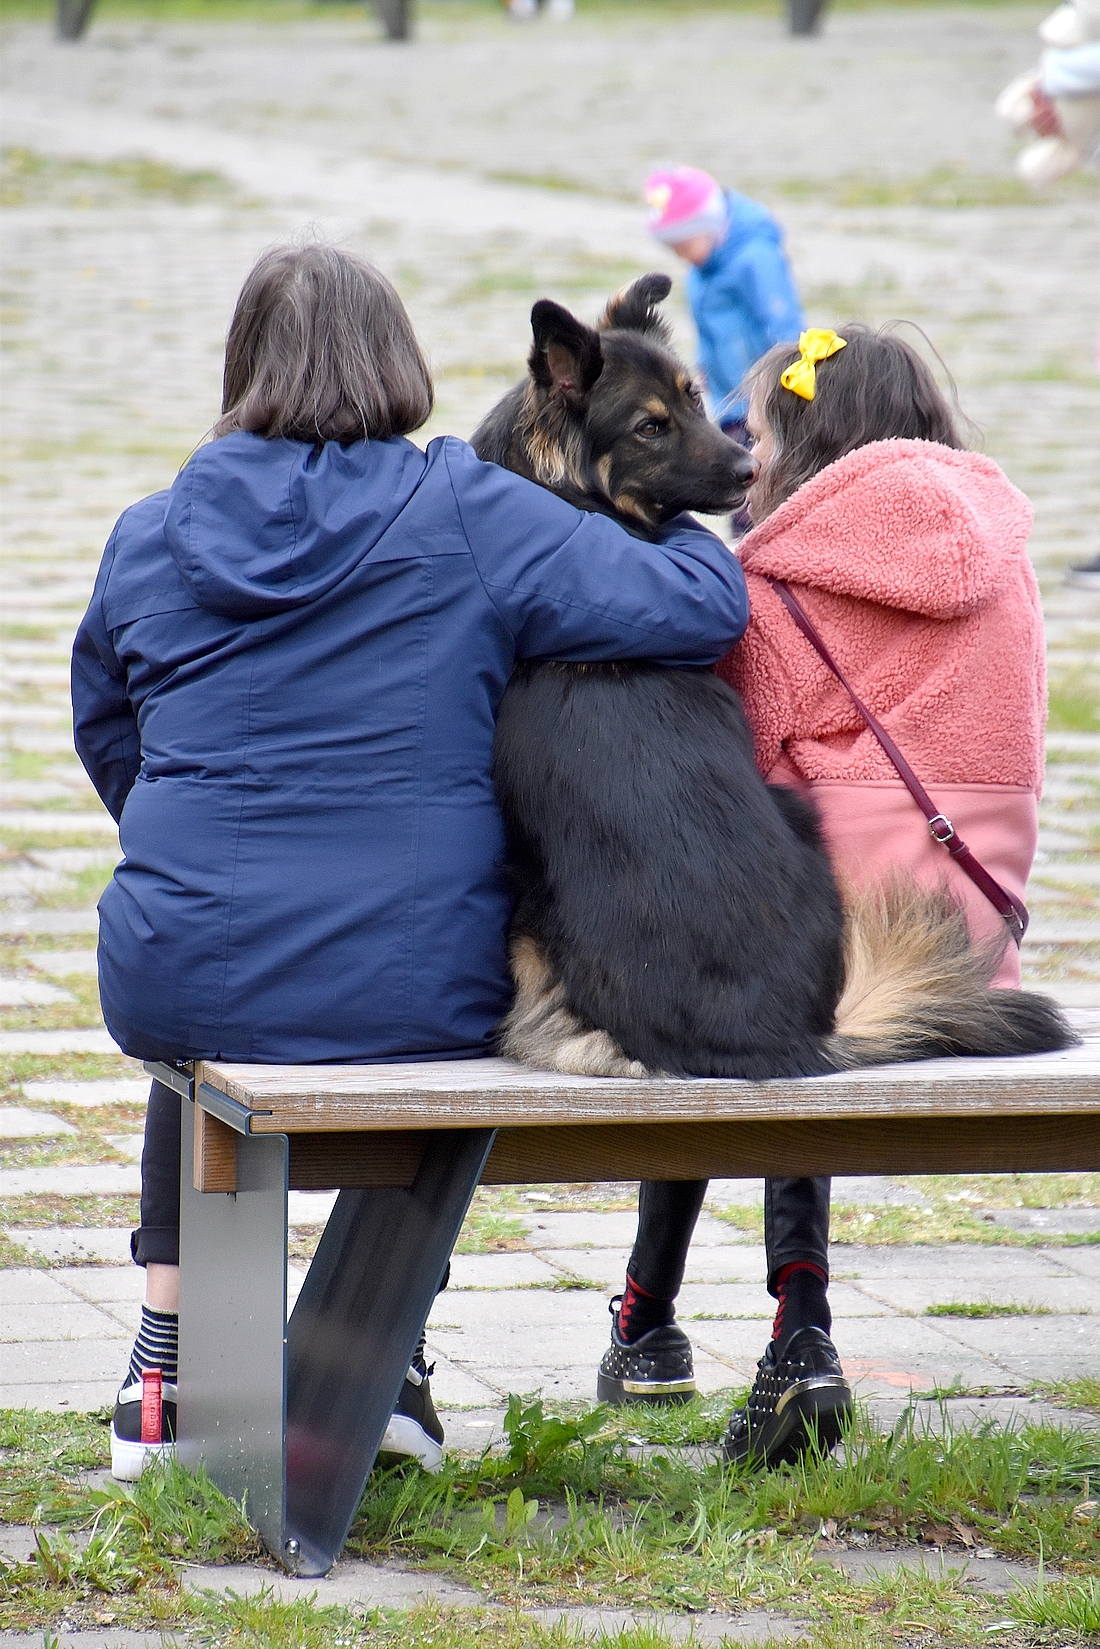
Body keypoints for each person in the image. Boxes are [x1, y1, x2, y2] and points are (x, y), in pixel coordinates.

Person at [71, 243, 750, 1482]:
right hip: (414, 983)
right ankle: (386, 1369)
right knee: (403, 1006)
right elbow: (700, 611)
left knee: (203, 995)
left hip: (183, 965)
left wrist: (194, 852)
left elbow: (109, 730)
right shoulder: (469, 508)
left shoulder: (148, 533)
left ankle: (161, 1373)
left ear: (243, 370)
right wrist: (686, 517)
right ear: (398, 364)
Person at [598, 324, 1046, 1471]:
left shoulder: (772, 583)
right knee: (765, 957)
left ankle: (742, 1319)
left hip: (844, 955)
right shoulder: (1002, 553)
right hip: (968, 938)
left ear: (800, 443)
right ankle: (702, 1318)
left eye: (755, 434)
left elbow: (723, 785)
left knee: (726, 963)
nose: (743, 459)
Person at [643, 166, 804, 452]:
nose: (680, 254)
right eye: (673, 247)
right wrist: (703, 366)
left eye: (683, 244)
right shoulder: (699, 274)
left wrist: (787, 386)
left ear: (707, 226)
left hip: (765, 400)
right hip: (727, 401)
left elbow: (784, 323)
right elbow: (706, 330)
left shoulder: (755, 260)